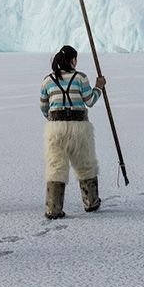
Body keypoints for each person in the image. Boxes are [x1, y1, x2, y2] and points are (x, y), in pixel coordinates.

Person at [38, 44, 107, 219]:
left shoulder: (47, 80)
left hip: (55, 127)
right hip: (79, 127)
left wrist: (54, 119)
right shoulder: (80, 78)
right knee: (85, 164)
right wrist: (99, 87)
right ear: (72, 60)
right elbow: (90, 100)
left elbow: (44, 107)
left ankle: (53, 208)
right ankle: (91, 202)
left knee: (56, 166)